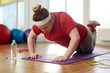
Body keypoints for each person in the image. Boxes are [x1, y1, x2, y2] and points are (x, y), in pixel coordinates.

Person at [28, 4, 100, 62]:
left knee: (87, 51)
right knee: (79, 52)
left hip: (83, 35)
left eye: (45, 28)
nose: (43, 31)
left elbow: (76, 37)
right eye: (41, 29)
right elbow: (31, 37)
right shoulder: (41, 24)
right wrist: (32, 53)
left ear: (51, 20)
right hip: (72, 41)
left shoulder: (63, 17)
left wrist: (65, 56)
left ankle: (91, 29)